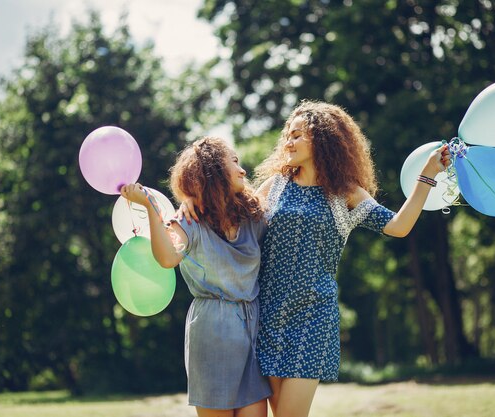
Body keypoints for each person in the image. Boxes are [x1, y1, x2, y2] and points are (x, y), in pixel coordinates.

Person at [179, 100, 451, 417]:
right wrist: (191, 201)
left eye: (297, 135)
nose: (288, 142)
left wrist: (427, 175)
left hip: (312, 318)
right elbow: (227, 211)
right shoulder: (275, 186)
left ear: (321, 138)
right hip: (265, 317)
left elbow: (398, 226)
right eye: (287, 136)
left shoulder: (346, 193)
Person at [121, 137, 272, 417]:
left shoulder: (252, 217)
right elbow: (167, 258)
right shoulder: (188, 221)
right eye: (234, 163)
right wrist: (150, 209)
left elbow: (276, 183)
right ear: (214, 172)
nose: (243, 171)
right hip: (213, 331)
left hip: (253, 329)